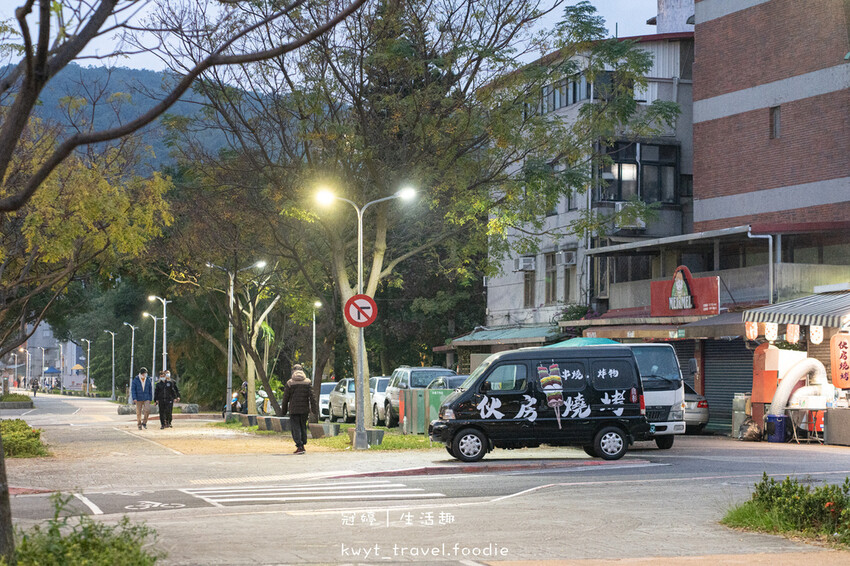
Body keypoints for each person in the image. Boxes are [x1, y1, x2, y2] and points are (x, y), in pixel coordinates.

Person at [281, 364, 315, 454]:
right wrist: (314, 409)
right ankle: (302, 445)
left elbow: (285, 398)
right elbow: (312, 397)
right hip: (304, 410)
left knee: (295, 427)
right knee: (303, 426)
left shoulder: (290, 383)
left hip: (294, 409)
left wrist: (283, 410)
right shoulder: (308, 382)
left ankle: (299, 446)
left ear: (293, 371)